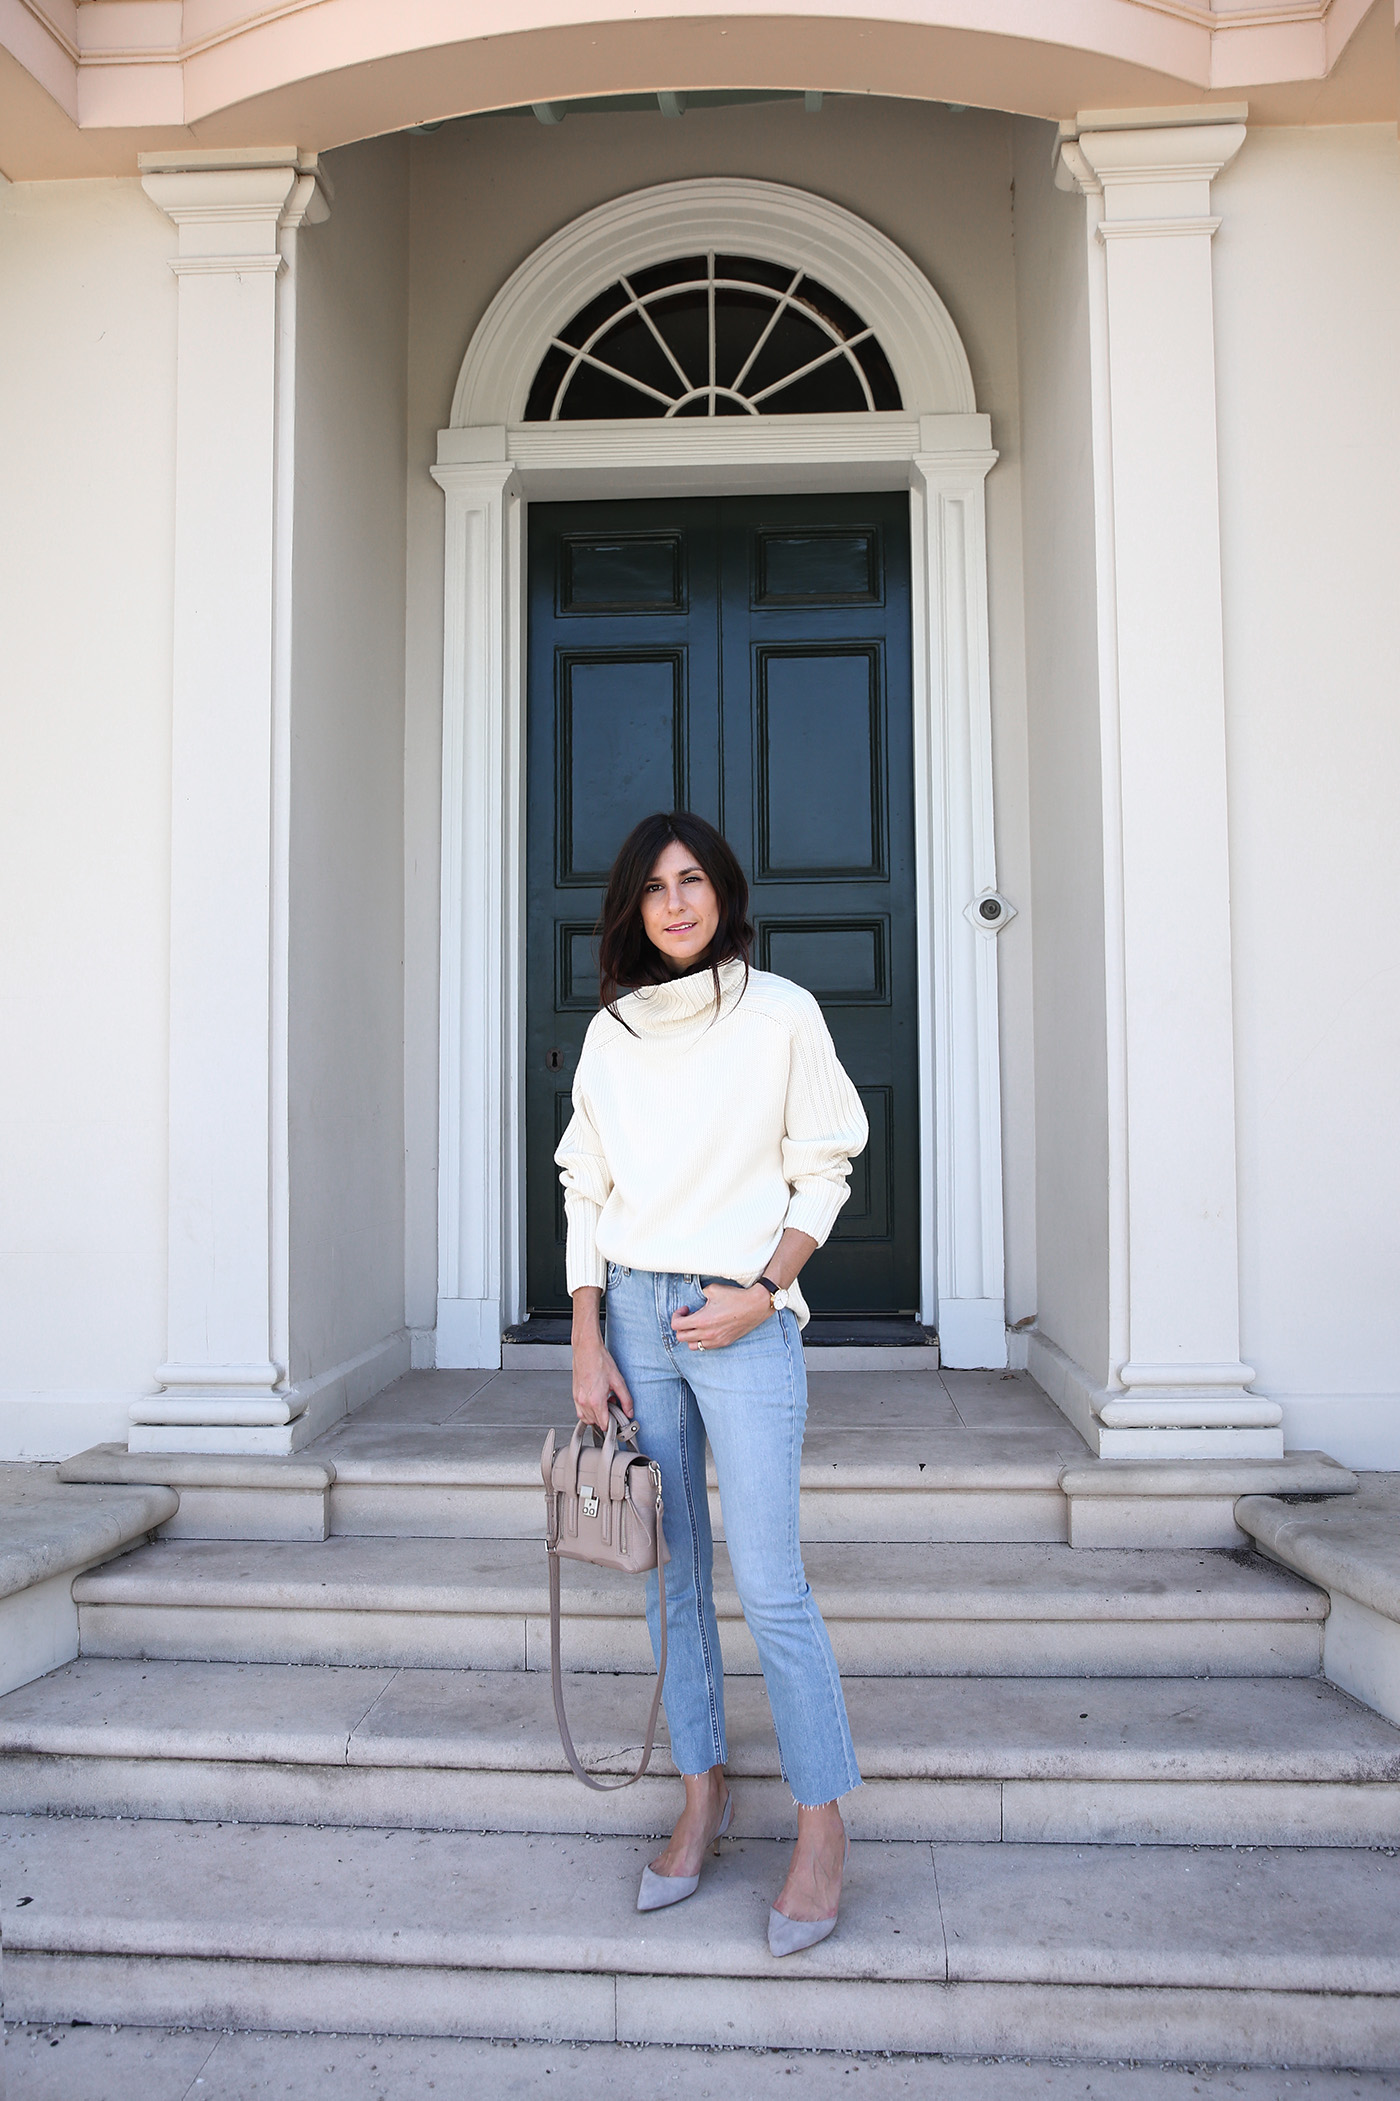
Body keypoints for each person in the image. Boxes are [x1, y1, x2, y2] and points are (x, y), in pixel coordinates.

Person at [556, 809, 868, 1957]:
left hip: (740, 1314)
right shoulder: (614, 1033)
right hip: (634, 1310)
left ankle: (821, 1825)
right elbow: (584, 1182)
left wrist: (766, 1285)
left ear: (723, 894)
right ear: (632, 911)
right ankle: (702, 1792)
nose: (675, 902)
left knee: (770, 1584)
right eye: (653, 888)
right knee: (671, 1576)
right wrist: (585, 1336)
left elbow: (823, 1161)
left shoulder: (780, 1013)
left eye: (693, 881)